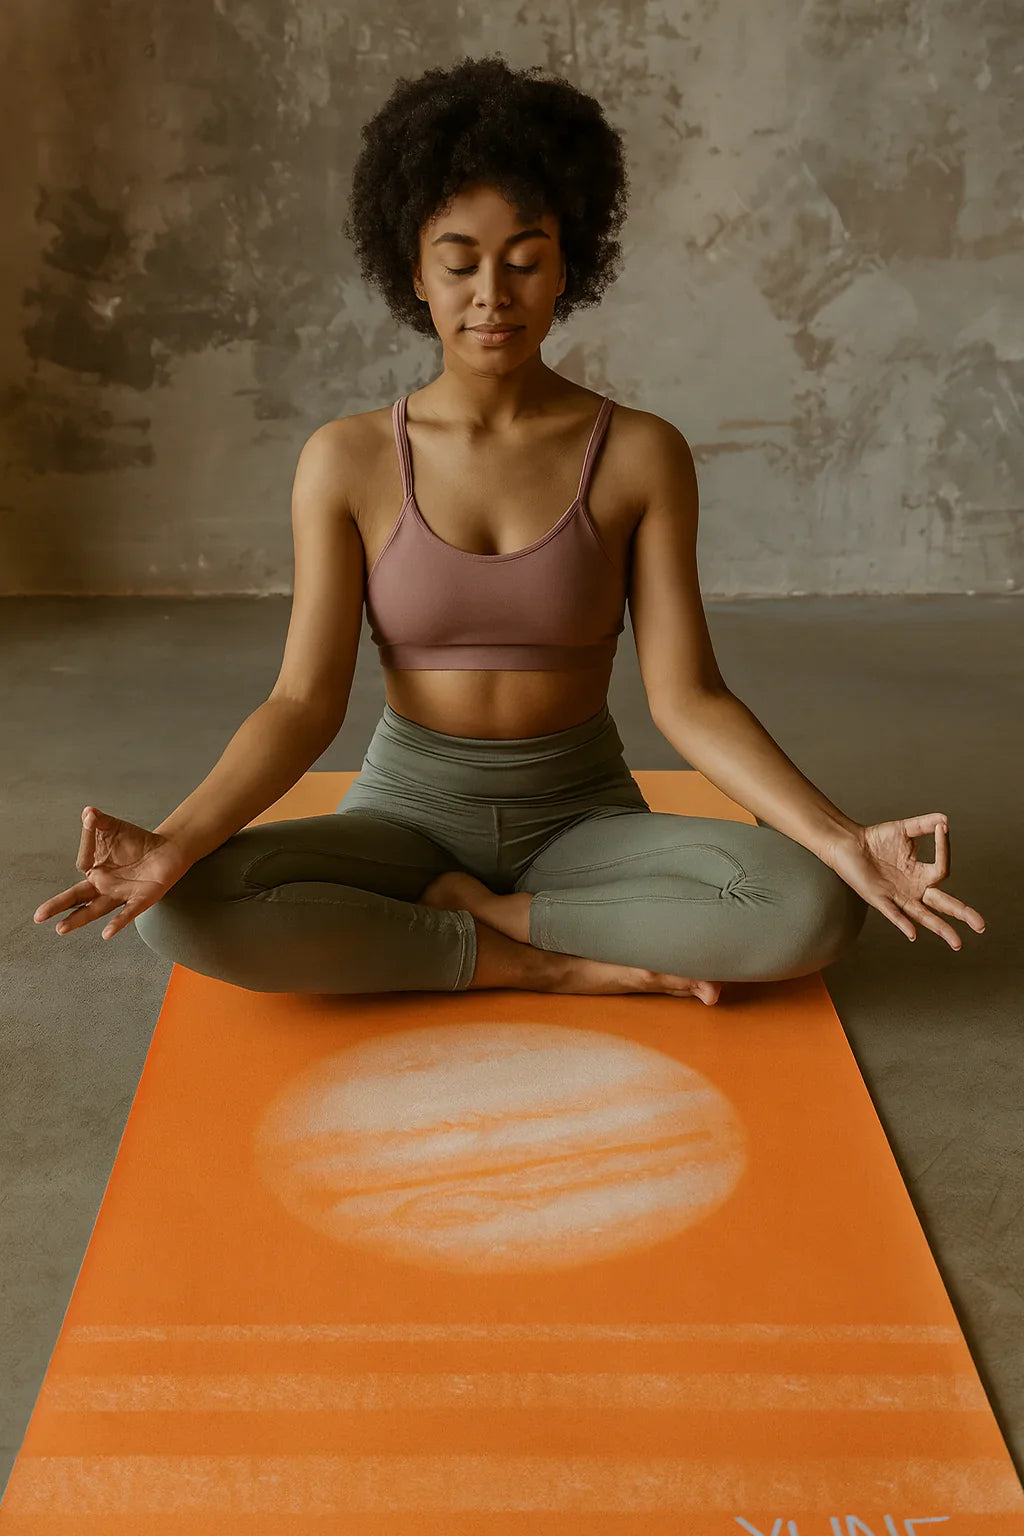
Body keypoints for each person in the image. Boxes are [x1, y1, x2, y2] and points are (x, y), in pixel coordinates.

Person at [32, 56, 985, 999]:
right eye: (459, 264)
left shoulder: (642, 453)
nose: (492, 293)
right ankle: (542, 962)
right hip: (404, 815)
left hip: (582, 819)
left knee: (809, 907)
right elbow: (301, 703)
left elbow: (690, 697)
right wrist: (174, 844)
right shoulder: (346, 459)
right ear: (415, 273)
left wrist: (841, 839)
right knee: (181, 908)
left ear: (568, 267)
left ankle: (493, 916)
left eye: (525, 261)